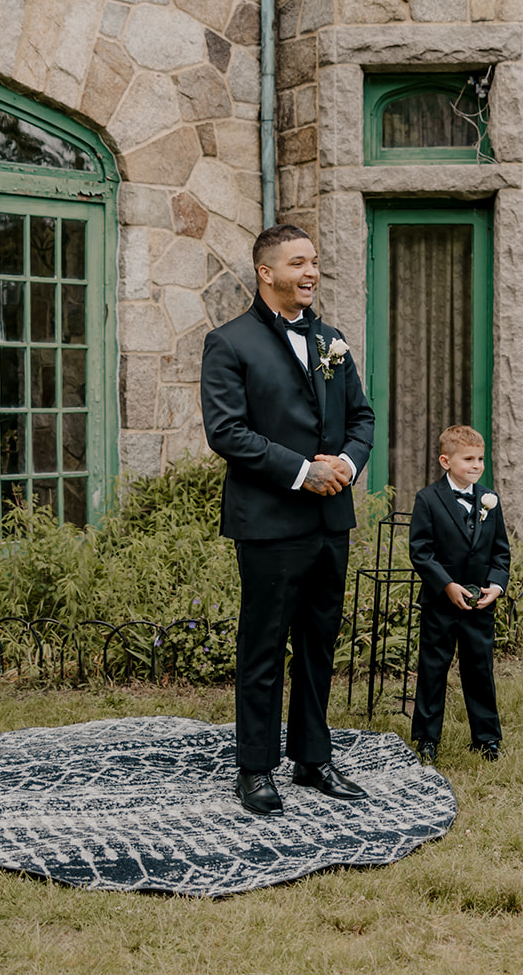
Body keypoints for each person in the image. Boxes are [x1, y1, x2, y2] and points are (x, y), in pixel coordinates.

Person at [200, 223, 375, 816]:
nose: (311, 272)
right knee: (264, 647)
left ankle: (312, 757)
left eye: (315, 262)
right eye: (298, 262)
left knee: (321, 644)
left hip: (331, 522)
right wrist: (303, 471)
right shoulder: (229, 343)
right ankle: (254, 768)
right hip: (270, 522)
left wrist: (348, 463)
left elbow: (363, 417)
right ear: (266, 272)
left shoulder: (333, 341)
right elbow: (227, 433)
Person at [408, 424, 511, 765]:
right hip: (441, 602)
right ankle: (426, 738)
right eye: (468, 458)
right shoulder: (428, 499)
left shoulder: (489, 500)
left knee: (479, 669)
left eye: (480, 458)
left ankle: (487, 739)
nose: (476, 465)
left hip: (479, 603)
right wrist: (447, 584)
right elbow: (420, 552)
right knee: (433, 668)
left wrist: (495, 586)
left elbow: (501, 553)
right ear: (445, 461)